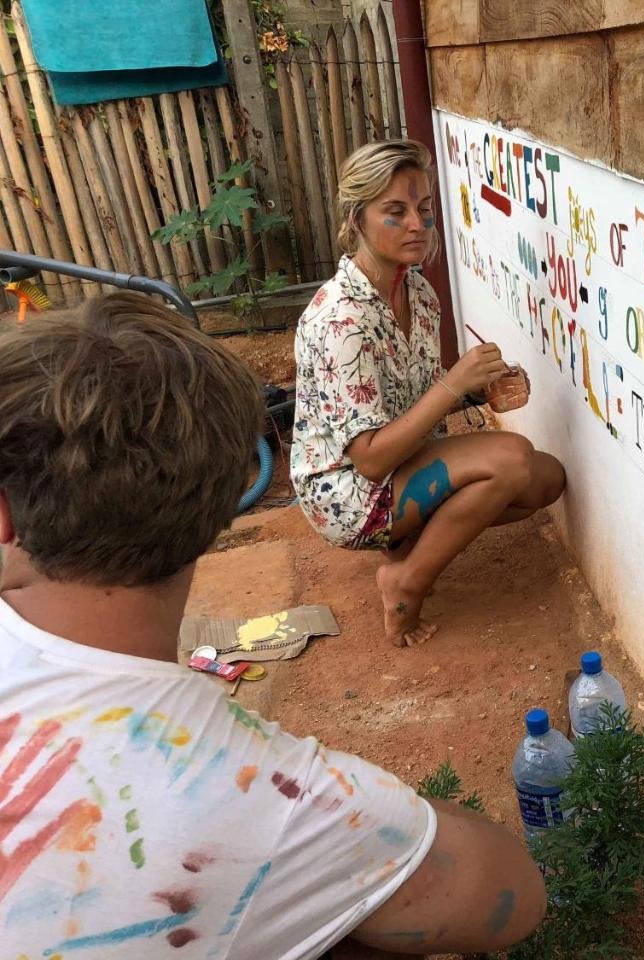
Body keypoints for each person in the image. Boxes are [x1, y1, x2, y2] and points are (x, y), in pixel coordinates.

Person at [0, 293, 546, 958]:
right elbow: (509, 894)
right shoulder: (265, 796)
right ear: (222, 507)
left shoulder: (418, 302)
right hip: (356, 495)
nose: (415, 226)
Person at [291, 139, 566, 648]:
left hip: (402, 463)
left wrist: (477, 394)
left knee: (544, 480)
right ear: (356, 219)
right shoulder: (340, 321)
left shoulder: (416, 291)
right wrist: (451, 385)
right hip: (350, 493)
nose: (417, 224)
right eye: (395, 211)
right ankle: (405, 582)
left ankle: (408, 545)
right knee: (510, 460)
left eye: (424, 209)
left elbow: (415, 398)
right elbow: (370, 461)